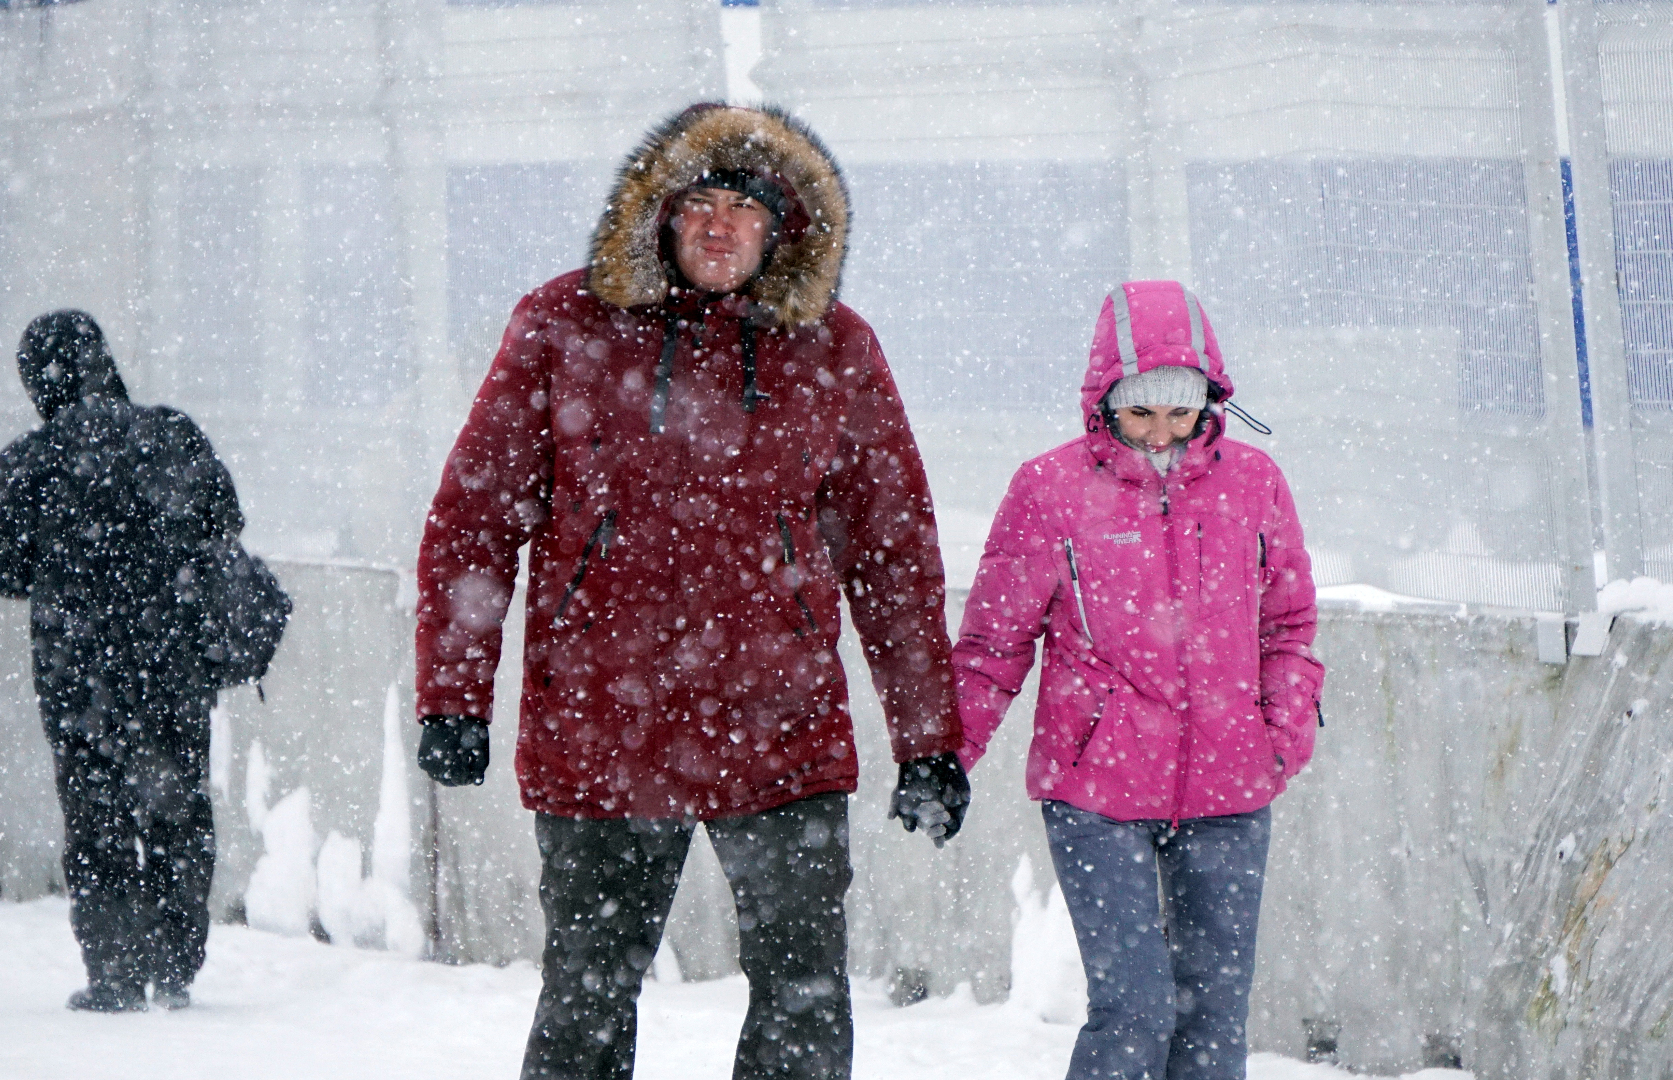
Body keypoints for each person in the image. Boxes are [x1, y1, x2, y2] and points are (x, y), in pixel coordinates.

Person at [411, 102, 971, 1080]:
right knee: (586, 995)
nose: (721, 227)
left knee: (803, 996)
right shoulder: (564, 325)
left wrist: (927, 740)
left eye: (746, 210)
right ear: (659, 213)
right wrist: (452, 698)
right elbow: (476, 519)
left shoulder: (834, 348)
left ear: (783, 228)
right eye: (701, 203)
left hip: (781, 729)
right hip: (602, 728)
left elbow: (891, 554)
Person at [951, 281, 1325, 1080]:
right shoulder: (1049, 489)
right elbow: (993, 642)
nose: (1160, 432)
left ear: (1210, 401)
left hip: (1229, 787)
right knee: (1135, 1009)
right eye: (1140, 412)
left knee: (1213, 1016)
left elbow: (1288, 627)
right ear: (1104, 403)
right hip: (1095, 791)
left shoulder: (1254, 483)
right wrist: (944, 755)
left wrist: (1280, 735)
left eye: (1180, 412)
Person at [0, 310, 244, 1012]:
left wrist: (68, 563)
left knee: (97, 820)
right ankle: (175, 966)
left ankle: (114, 973)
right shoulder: (172, 434)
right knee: (178, 810)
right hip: (174, 666)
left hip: (78, 677)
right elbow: (224, 522)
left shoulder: (29, 461)